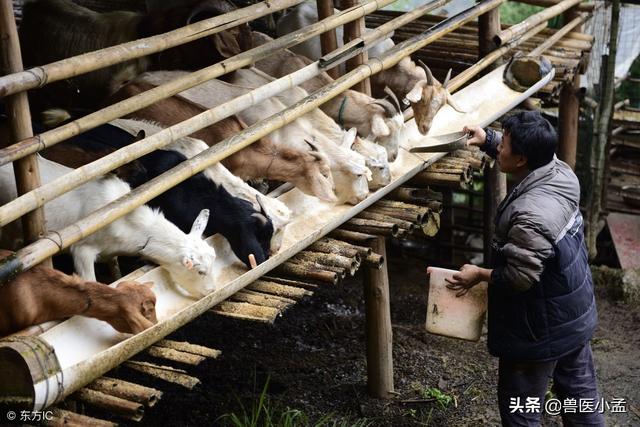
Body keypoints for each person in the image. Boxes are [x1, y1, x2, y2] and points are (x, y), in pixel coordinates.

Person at [445, 111, 604, 427]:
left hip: (537, 327)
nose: (499, 148)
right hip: (572, 315)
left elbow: (520, 278)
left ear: (520, 159)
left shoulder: (529, 216)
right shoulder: (560, 173)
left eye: (503, 145)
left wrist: (479, 274)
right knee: (579, 396)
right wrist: (488, 140)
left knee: (522, 408)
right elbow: (526, 157)